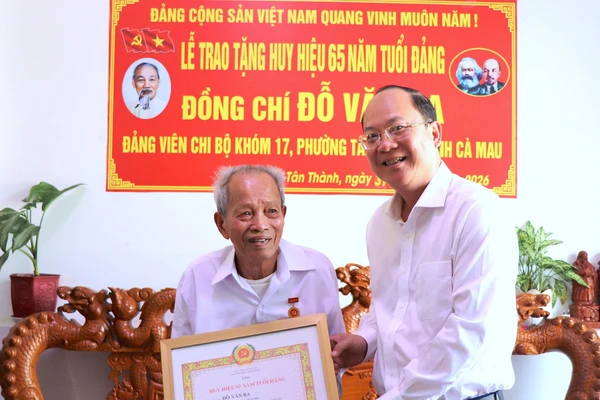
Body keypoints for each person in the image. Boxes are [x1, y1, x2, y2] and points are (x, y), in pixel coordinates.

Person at [330, 85, 518, 399]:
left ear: (434, 133)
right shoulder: (380, 224)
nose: (385, 144)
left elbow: (470, 330)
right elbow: (390, 310)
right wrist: (364, 342)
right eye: (372, 136)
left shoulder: (476, 211)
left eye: (398, 128)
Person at [172, 164, 345, 341]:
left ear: (283, 215)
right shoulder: (197, 277)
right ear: (222, 224)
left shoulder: (317, 271)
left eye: (271, 211)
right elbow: (181, 355)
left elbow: (334, 349)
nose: (261, 225)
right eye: (246, 213)